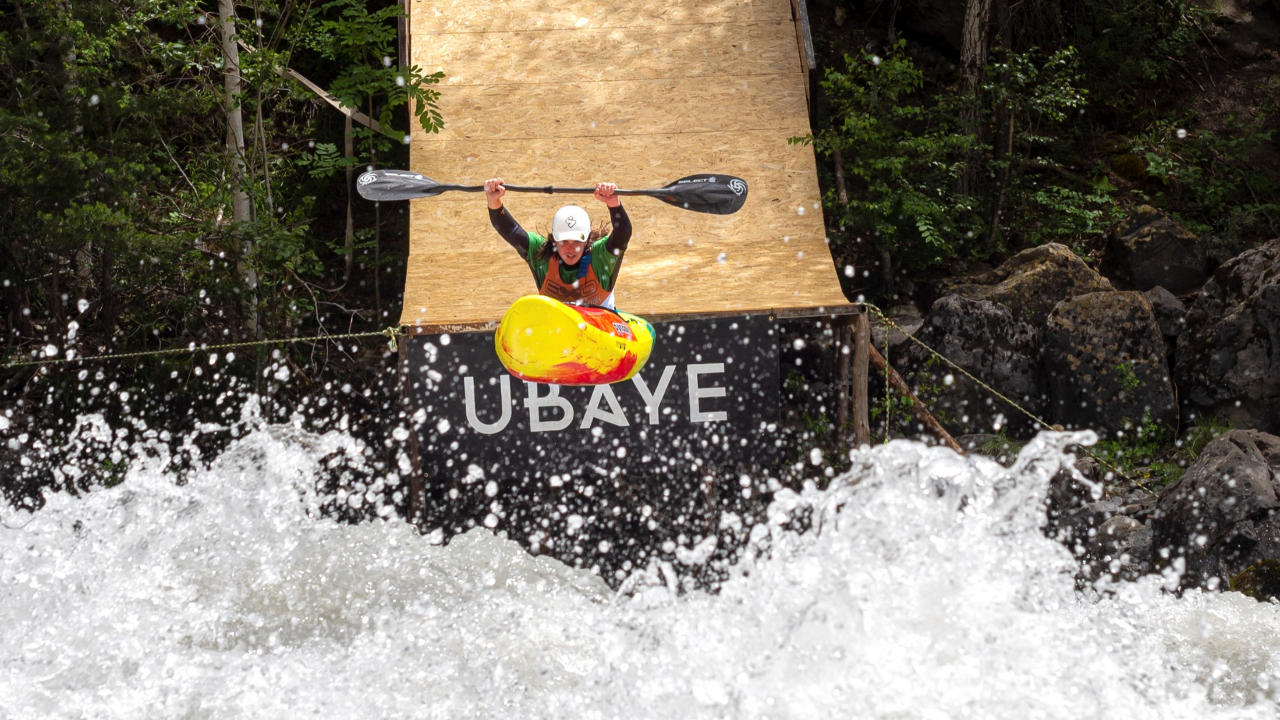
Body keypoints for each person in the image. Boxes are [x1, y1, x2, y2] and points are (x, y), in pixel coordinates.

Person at [485, 177, 631, 310]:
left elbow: (623, 233)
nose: (570, 248)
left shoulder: (600, 257)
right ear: (554, 239)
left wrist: (613, 204)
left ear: (586, 240)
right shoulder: (541, 254)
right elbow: (510, 231)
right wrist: (494, 201)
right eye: (563, 242)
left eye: (577, 242)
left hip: (600, 330)